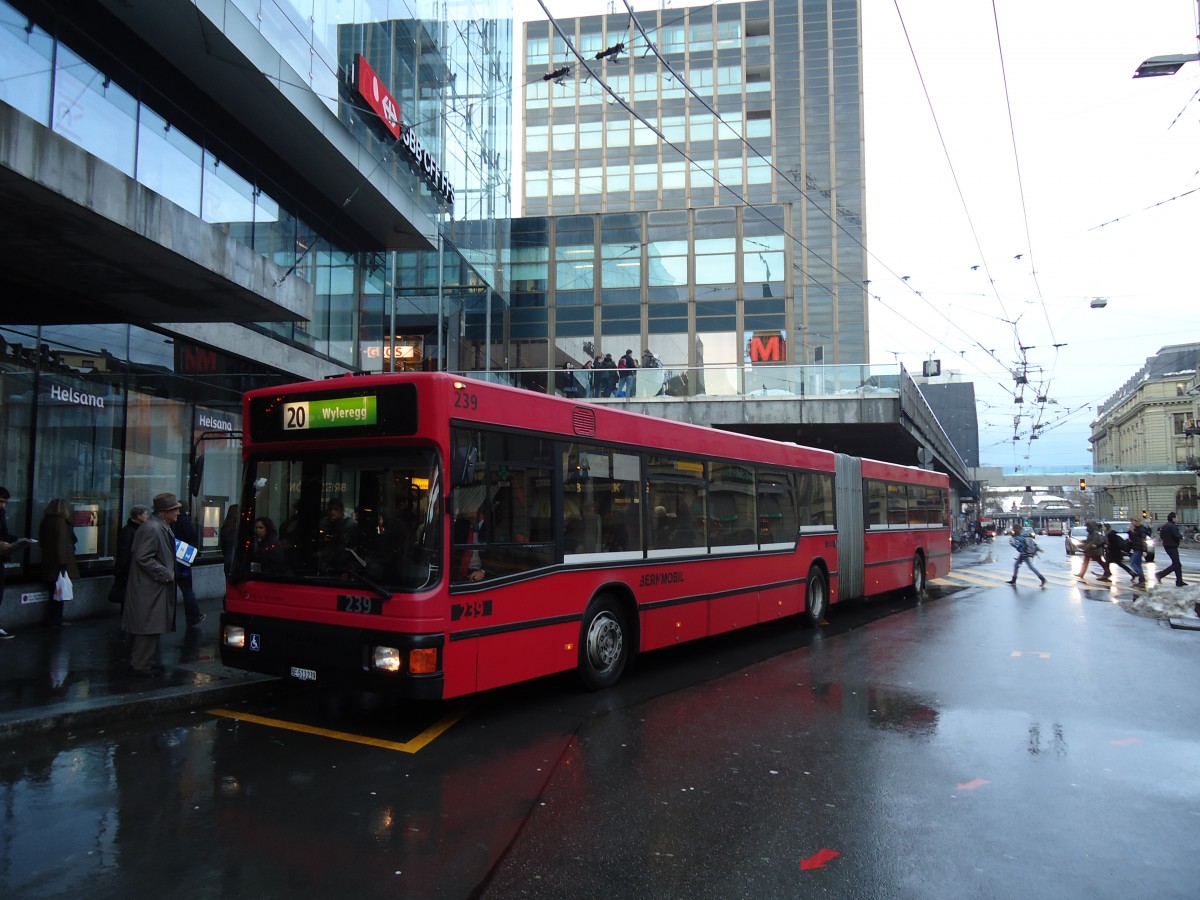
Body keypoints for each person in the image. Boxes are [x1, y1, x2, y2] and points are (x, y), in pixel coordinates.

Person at [123, 492, 182, 675]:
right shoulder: (153, 528)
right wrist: (165, 573)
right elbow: (143, 557)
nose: (178, 513)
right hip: (149, 588)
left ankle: (145, 661)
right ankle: (141, 665)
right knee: (147, 626)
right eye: (175, 510)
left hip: (152, 587)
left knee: (151, 625)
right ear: (165, 512)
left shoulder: (157, 526)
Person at [38, 498, 78, 627]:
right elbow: (61, 543)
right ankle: (56, 619)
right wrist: (63, 563)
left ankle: (54, 618)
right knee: (59, 592)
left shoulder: (46, 520)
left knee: (54, 591)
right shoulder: (60, 521)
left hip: (49, 561)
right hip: (58, 563)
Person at [170, 503, 204, 627]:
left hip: (172, 557)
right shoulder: (184, 520)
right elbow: (193, 536)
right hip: (182, 558)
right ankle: (193, 615)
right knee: (187, 589)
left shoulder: (169, 522)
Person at [112, 505, 149, 611]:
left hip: (135, 569)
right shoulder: (129, 531)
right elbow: (124, 553)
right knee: (128, 597)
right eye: (145, 514)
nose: (147, 516)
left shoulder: (139, 529)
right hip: (129, 570)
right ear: (138, 516)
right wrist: (121, 571)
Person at [0, 486, 19, 639]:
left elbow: (4, 534)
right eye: (1, 501)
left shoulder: (1, 514)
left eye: (5, 502)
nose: (3, 505)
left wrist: (18, 540)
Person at [1155, 512, 1186, 587]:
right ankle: (1160, 574)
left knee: (1177, 564)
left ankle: (1179, 581)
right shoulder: (1173, 526)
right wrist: (1181, 537)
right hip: (1172, 546)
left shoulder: (1165, 526)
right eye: (1176, 517)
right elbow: (1176, 535)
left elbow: (1162, 536)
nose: (1177, 519)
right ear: (1173, 518)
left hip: (1167, 546)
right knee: (1176, 564)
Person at [1127, 517, 1151, 586]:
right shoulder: (1135, 529)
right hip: (1136, 548)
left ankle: (1142, 578)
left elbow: (1143, 540)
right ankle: (1141, 580)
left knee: (1132, 563)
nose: (1133, 522)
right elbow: (1131, 538)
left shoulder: (1141, 529)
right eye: (1132, 521)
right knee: (1138, 564)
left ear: (1138, 521)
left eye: (1134, 521)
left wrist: (1144, 550)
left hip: (1139, 549)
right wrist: (1130, 530)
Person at [218, 504, 240, 575]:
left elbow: (223, 546)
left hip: (228, 560)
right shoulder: (238, 529)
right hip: (236, 562)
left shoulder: (225, 528)